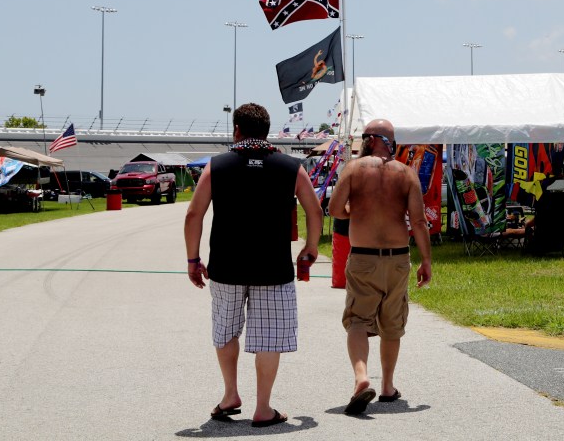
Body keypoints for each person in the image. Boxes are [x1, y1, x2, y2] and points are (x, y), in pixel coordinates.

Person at [184, 102, 323, 427]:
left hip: (226, 267)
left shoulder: (216, 166)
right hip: (272, 268)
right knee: (269, 338)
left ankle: (231, 394)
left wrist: (193, 258)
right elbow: (314, 210)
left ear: (236, 130)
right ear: (267, 131)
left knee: (226, 332)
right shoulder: (290, 166)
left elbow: (194, 214)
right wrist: (311, 248)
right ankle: (263, 408)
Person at [329, 119, 432, 416]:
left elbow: (335, 209)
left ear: (370, 140)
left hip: (363, 257)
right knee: (392, 324)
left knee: (358, 321)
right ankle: (387, 386)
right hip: (398, 258)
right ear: (388, 142)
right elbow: (419, 221)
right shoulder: (407, 174)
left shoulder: (353, 169)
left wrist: (355, 209)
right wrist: (426, 260)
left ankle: (362, 377)